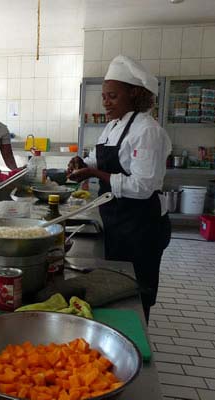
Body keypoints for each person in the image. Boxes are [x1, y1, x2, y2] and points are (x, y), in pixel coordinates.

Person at [66, 55, 172, 323]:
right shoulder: (113, 125)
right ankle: (119, 331)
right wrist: (82, 163)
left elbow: (142, 186)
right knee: (118, 287)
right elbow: (99, 159)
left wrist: (92, 173)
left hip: (142, 226)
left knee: (137, 293)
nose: (105, 102)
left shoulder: (147, 130)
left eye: (112, 96)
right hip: (117, 220)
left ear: (134, 95)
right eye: (104, 96)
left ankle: (137, 344)